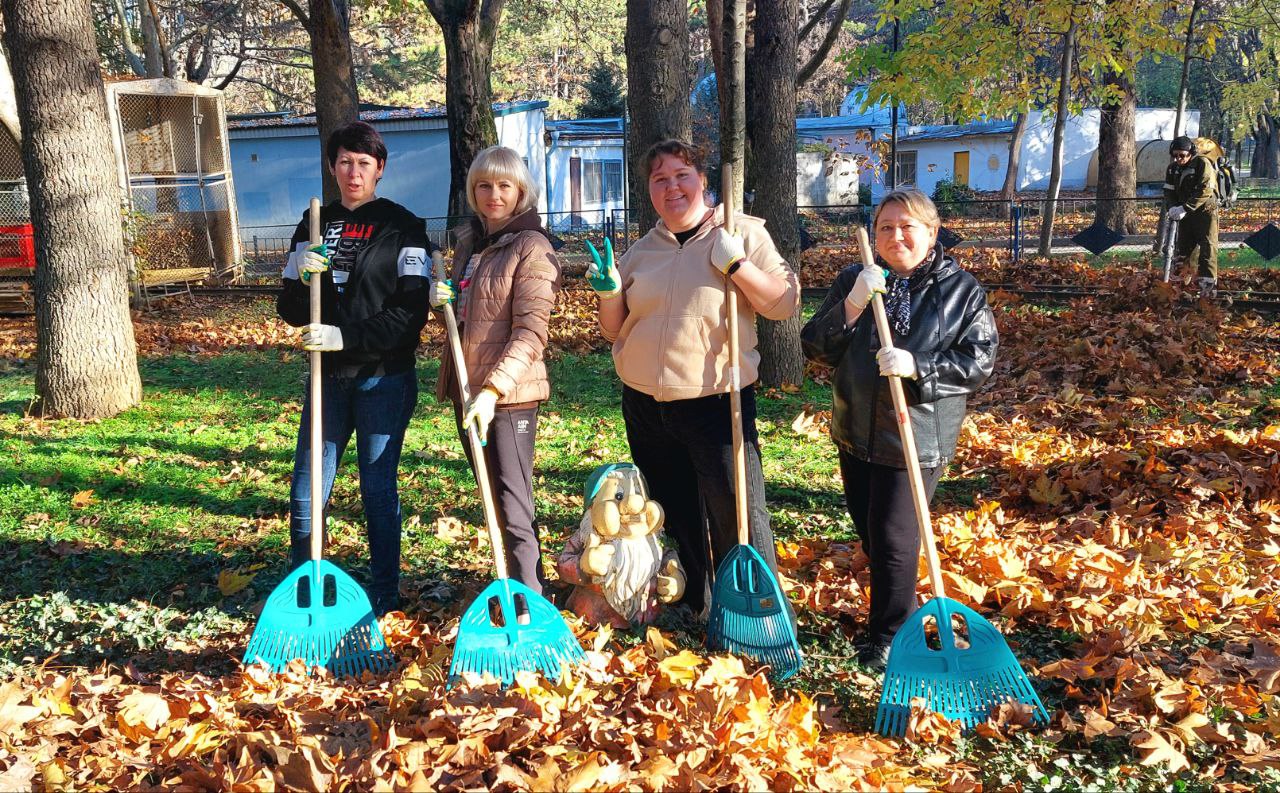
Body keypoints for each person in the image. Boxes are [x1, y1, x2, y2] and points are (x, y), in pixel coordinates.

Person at [588, 139, 800, 618]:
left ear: (702, 181)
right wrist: (609, 292)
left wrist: (738, 266)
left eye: (681, 175)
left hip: (715, 400)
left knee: (737, 512)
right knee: (672, 507)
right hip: (646, 402)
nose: (672, 187)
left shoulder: (741, 233)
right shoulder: (641, 251)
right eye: (659, 179)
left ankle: (753, 610)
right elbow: (614, 328)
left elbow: (782, 304)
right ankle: (692, 600)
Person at [799, 189, 997, 670]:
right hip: (856, 431)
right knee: (872, 533)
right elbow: (815, 347)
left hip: (916, 437)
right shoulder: (856, 278)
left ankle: (890, 636)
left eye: (908, 226)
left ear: (931, 233)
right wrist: (853, 304)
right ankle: (899, 607)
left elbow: (979, 361)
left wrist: (917, 366)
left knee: (893, 540)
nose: (896, 236)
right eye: (885, 227)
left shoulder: (961, 290)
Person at [277, 120, 432, 618]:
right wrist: (304, 280)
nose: (353, 172)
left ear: (380, 169)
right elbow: (290, 307)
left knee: (376, 489)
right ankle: (305, 592)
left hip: (383, 378)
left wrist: (346, 337)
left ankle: (384, 594)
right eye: (344, 161)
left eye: (364, 163)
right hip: (327, 381)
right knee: (306, 491)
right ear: (331, 166)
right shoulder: (313, 223)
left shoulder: (403, 226)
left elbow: (410, 317)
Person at [430, 145, 562, 594]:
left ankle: (529, 597)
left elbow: (531, 333)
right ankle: (510, 586)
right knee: (492, 497)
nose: (494, 194)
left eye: (505, 185)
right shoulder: (473, 244)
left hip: (508, 398)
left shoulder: (532, 247)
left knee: (512, 501)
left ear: (521, 191)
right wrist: (443, 305)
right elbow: (470, 321)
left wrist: (491, 392)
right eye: (484, 185)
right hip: (469, 396)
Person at [1163, 135, 1219, 298]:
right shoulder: (1173, 168)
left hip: (1205, 211)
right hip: (1183, 211)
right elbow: (1169, 190)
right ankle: (1183, 285)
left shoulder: (1202, 163)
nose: (1178, 159)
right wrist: (1173, 207)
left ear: (1191, 153)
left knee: (1208, 247)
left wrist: (1186, 207)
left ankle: (1207, 287)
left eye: (1182, 155)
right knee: (1184, 247)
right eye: (1175, 155)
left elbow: (1205, 189)